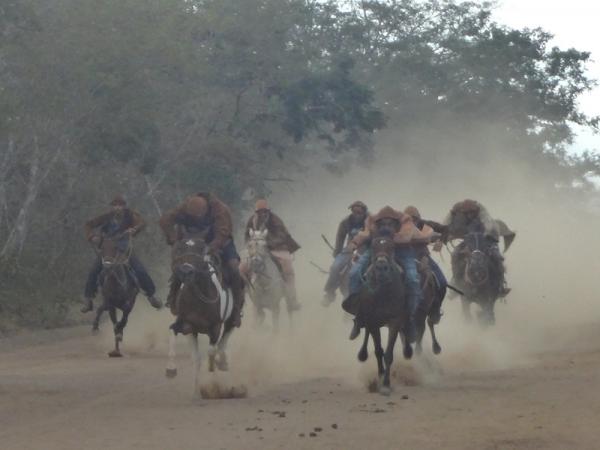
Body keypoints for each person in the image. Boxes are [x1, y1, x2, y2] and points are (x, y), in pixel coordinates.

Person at [343, 206, 436, 342]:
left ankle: (409, 317)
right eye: (383, 223)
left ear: (396, 223)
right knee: (354, 273)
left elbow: (415, 236)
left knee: (413, 279)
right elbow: (363, 235)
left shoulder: (407, 225)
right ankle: (358, 316)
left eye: (390, 223)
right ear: (378, 223)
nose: (386, 226)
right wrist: (353, 244)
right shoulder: (371, 224)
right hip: (376, 250)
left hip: (403, 252)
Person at [159, 193, 245, 327]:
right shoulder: (185, 206)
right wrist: (173, 237)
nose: (195, 219)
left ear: (205, 211)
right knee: (182, 265)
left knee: (233, 268)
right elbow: (165, 220)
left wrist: (212, 247)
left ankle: (236, 310)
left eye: (197, 217)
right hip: (193, 242)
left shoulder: (220, 210)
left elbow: (223, 232)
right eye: (191, 216)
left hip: (220, 242)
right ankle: (173, 297)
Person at [82, 195, 162, 313]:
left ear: (124, 206)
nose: (117, 208)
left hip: (125, 249)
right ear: (112, 207)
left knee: (140, 270)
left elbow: (142, 223)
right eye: (115, 205)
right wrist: (91, 236)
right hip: (108, 249)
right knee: (94, 270)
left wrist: (134, 229)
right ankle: (88, 299)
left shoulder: (131, 215)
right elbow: (88, 225)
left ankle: (151, 296)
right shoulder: (106, 217)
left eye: (120, 205)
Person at [240, 199, 301, 311]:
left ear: (267, 211)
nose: (262, 213)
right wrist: (251, 244)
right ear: (256, 212)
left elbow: (282, 236)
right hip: (257, 249)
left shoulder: (275, 220)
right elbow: (246, 236)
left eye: (264, 211)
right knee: (242, 269)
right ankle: (240, 297)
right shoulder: (252, 220)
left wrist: (267, 243)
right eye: (259, 212)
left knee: (287, 269)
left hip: (277, 248)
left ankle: (292, 299)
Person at [443, 199, 513, 297]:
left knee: (497, 256)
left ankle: (501, 285)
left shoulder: (483, 215)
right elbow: (444, 226)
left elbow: (489, 225)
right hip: (469, 242)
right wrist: (446, 235)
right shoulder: (459, 216)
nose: (470, 214)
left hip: (486, 241)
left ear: (476, 211)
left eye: (472, 212)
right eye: (467, 213)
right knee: (455, 254)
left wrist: (487, 233)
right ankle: (456, 281)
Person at [403, 206, 448, 324]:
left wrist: (440, 241)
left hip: (423, 256)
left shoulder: (426, 225)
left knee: (442, 282)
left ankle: (435, 309)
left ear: (418, 218)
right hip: (404, 258)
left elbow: (445, 229)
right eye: (408, 219)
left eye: (414, 219)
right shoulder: (398, 226)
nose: (412, 221)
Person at [322, 201, 368, 306]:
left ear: (364, 212)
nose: (356, 215)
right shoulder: (345, 222)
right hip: (349, 249)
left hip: (366, 249)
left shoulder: (371, 221)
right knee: (335, 267)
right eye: (354, 212)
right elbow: (340, 238)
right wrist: (337, 252)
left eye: (359, 212)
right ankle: (330, 293)